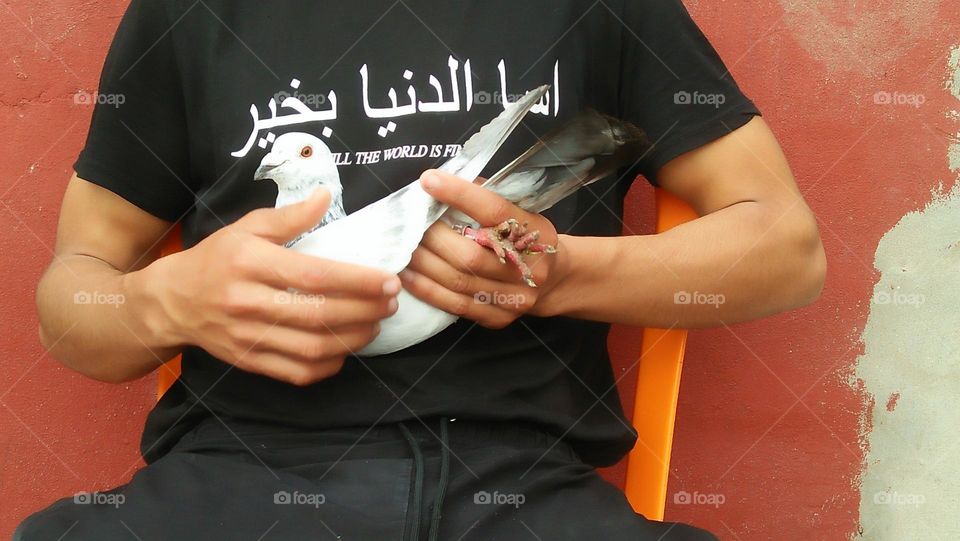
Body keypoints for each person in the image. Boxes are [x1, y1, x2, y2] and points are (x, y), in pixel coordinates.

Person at [17, 0, 826, 539]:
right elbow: (71, 301)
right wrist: (169, 303)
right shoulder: (190, 13)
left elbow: (788, 249)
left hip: (520, 488)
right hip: (237, 480)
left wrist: (564, 272)